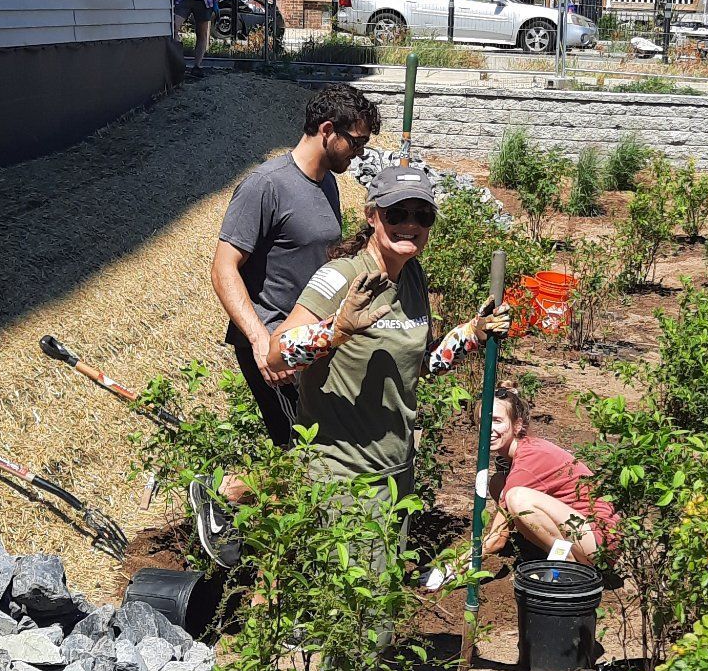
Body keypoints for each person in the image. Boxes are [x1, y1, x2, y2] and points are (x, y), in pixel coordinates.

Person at [272, 160, 510, 497]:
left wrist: (472, 333)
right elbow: (275, 354)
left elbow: (423, 362)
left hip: (396, 470)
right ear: (372, 216)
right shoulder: (343, 275)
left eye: (422, 216)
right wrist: (334, 331)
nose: (410, 224)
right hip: (343, 477)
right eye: (396, 213)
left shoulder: (413, 275)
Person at [210, 84, 383, 448]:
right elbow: (223, 269)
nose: (360, 153)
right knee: (298, 450)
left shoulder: (328, 184)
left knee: (317, 448)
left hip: (310, 340)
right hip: (276, 347)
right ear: (326, 130)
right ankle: (220, 493)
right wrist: (261, 342)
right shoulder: (266, 185)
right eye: (356, 142)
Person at [481, 386, 619, 567]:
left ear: (518, 425)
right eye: (483, 421)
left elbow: (496, 541)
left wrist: (447, 571)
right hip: (581, 530)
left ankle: (566, 565)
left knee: (516, 498)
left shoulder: (529, 460)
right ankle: (551, 550)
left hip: (600, 542)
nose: (488, 428)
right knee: (499, 482)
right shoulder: (525, 449)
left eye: (497, 420)